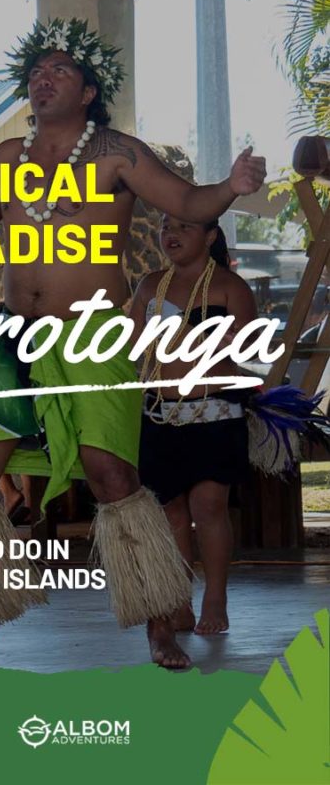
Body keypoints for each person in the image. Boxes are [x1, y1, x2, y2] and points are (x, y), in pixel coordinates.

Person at [0, 17, 266, 668]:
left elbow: (186, 196)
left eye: (59, 71)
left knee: (111, 475)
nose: (42, 80)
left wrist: (230, 189)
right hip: (15, 336)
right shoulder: (8, 158)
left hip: (92, 334)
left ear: (88, 91)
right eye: (36, 73)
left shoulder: (116, 154)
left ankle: (159, 616)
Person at [130, 216, 258, 634]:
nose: (171, 234)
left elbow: (247, 346)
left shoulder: (230, 286)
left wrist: (199, 338)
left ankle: (215, 596)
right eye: (167, 226)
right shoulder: (150, 285)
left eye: (184, 227)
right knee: (171, 512)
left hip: (214, 412)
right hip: (159, 413)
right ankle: (179, 599)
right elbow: (132, 345)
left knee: (209, 507)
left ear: (210, 236)